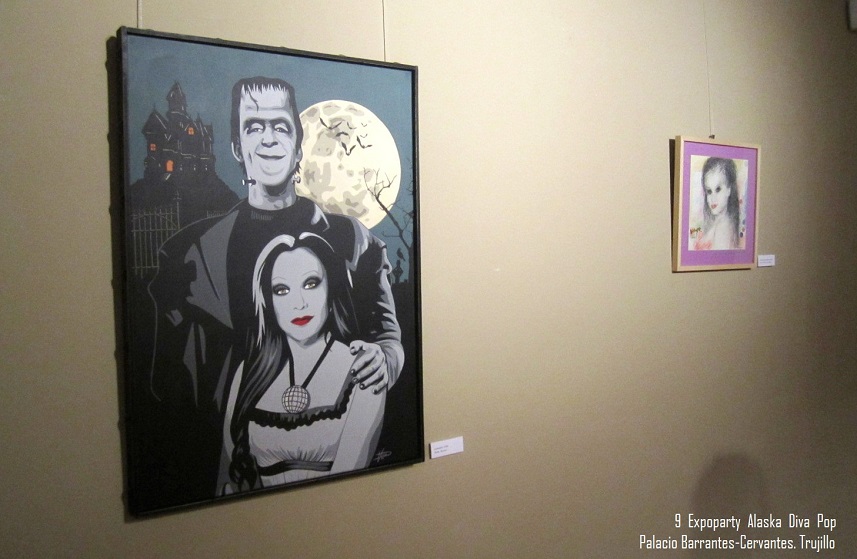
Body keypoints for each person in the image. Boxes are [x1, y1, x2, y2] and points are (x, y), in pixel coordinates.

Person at [138, 76, 402, 511]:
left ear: (299, 145)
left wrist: (386, 358)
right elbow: (166, 392)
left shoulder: (352, 241)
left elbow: (389, 335)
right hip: (222, 488)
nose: (268, 138)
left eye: (281, 126)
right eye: (253, 126)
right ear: (236, 147)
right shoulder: (188, 255)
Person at [220, 233, 385, 493]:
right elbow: (233, 478)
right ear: (268, 301)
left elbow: (346, 483)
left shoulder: (364, 368)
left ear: (332, 288)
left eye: (310, 284)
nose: (298, 304)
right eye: (281, 290)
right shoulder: (247, 373)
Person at [693, 157, 741, 250]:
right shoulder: (716, 224)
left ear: (729, 189)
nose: (713, 198)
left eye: (718, 189)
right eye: (709, 191)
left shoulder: (723, 229)